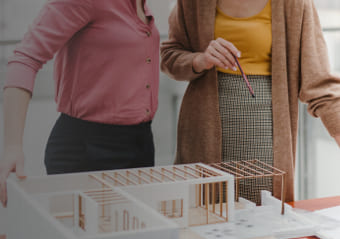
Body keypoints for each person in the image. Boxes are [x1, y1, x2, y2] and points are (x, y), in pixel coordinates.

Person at [161, 0, 340, 203]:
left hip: (266, 139)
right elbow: (169, 56)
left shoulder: (295, 4)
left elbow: (320, 82)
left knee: (264, 219)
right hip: (203, 136)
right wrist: (201, 60)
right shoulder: (192, 3)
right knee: (202, 218)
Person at [0, 0, 160, 207]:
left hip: (140, 145)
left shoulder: (141, 5)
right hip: (88, 150)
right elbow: (25, 58)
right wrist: (12, 146)